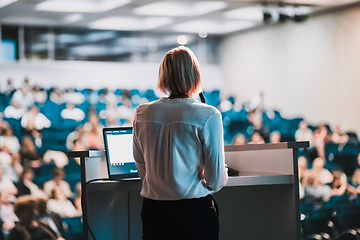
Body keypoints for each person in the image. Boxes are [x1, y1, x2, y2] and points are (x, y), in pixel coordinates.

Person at [133, 46, 228, 240]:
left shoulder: (142, 113)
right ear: (195, 75)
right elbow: (216, 180)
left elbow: (141, 163)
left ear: (164, 76)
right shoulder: (209, 114)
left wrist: (161, 184)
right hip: (193, 212)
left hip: (154, 211)